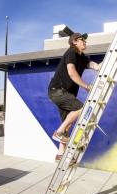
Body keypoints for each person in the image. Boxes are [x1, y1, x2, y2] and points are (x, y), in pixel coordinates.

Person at [48, 32, 100, 162]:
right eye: (82, 40)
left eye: (85, 40)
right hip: (58, 91)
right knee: (81, 108)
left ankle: (60, 155)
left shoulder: (82, 57)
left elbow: (94, 65)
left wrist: (104, 63)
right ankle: (58, 133)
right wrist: (87, 87)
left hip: (65, 93)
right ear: (74, 42)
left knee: (67, 124)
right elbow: (71, 73)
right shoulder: (71, 52)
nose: (85, 42)